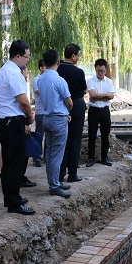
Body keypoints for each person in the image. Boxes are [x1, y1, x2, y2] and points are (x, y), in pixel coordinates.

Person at [0, 40, 36, 215]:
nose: (27, 60)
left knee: (9, 163)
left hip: (4, 121)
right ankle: (14, 203)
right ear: (18, 56)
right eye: (27, 57)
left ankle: (11, 197)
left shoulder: (4, 70)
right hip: (12, 122)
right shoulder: (13, 73)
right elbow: (23, 101)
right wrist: (29, 116)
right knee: (15, 164)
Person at [37, 49, 73, 198]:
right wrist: (66, 112)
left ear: (44, 63)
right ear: (58, 62)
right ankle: (54, 185)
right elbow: (69, 103)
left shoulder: (40, 79)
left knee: (50, 152)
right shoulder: (59, 81)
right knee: (57, 155)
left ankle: (54, 181)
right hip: (58, 119)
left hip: (46, 118)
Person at [57, 44, 87, 183]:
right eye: (78, 55)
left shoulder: (58, 70)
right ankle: (72, 174)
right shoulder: (78, 72)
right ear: (73, 56)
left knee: (62, 140)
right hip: (76, 105)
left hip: (61, 105)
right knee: (75, 140)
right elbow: (84, 89)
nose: (79, 58)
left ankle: (60, 173)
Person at [86, 59, 115, 168]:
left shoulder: (109, 81)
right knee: (92, 135)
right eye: (98, 70)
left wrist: (98, 97)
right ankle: (91, 158)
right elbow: (93, 95)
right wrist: (105, 95)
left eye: (102, 71)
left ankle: (104, 158)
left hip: (105, 110)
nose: (100, 73)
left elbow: (111, 96)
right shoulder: (90, 81)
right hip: (94, 110)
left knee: (105, 135)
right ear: (95, 69)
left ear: (105, 70)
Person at [31, 59, 46, 167]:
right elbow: (40, 92)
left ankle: (46, 156)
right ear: (40, 67)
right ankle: (36, 157)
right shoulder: (36, 79)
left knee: (49, 136)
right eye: (45, 66)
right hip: (41, 111)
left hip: (49, 111)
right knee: (39, 134)